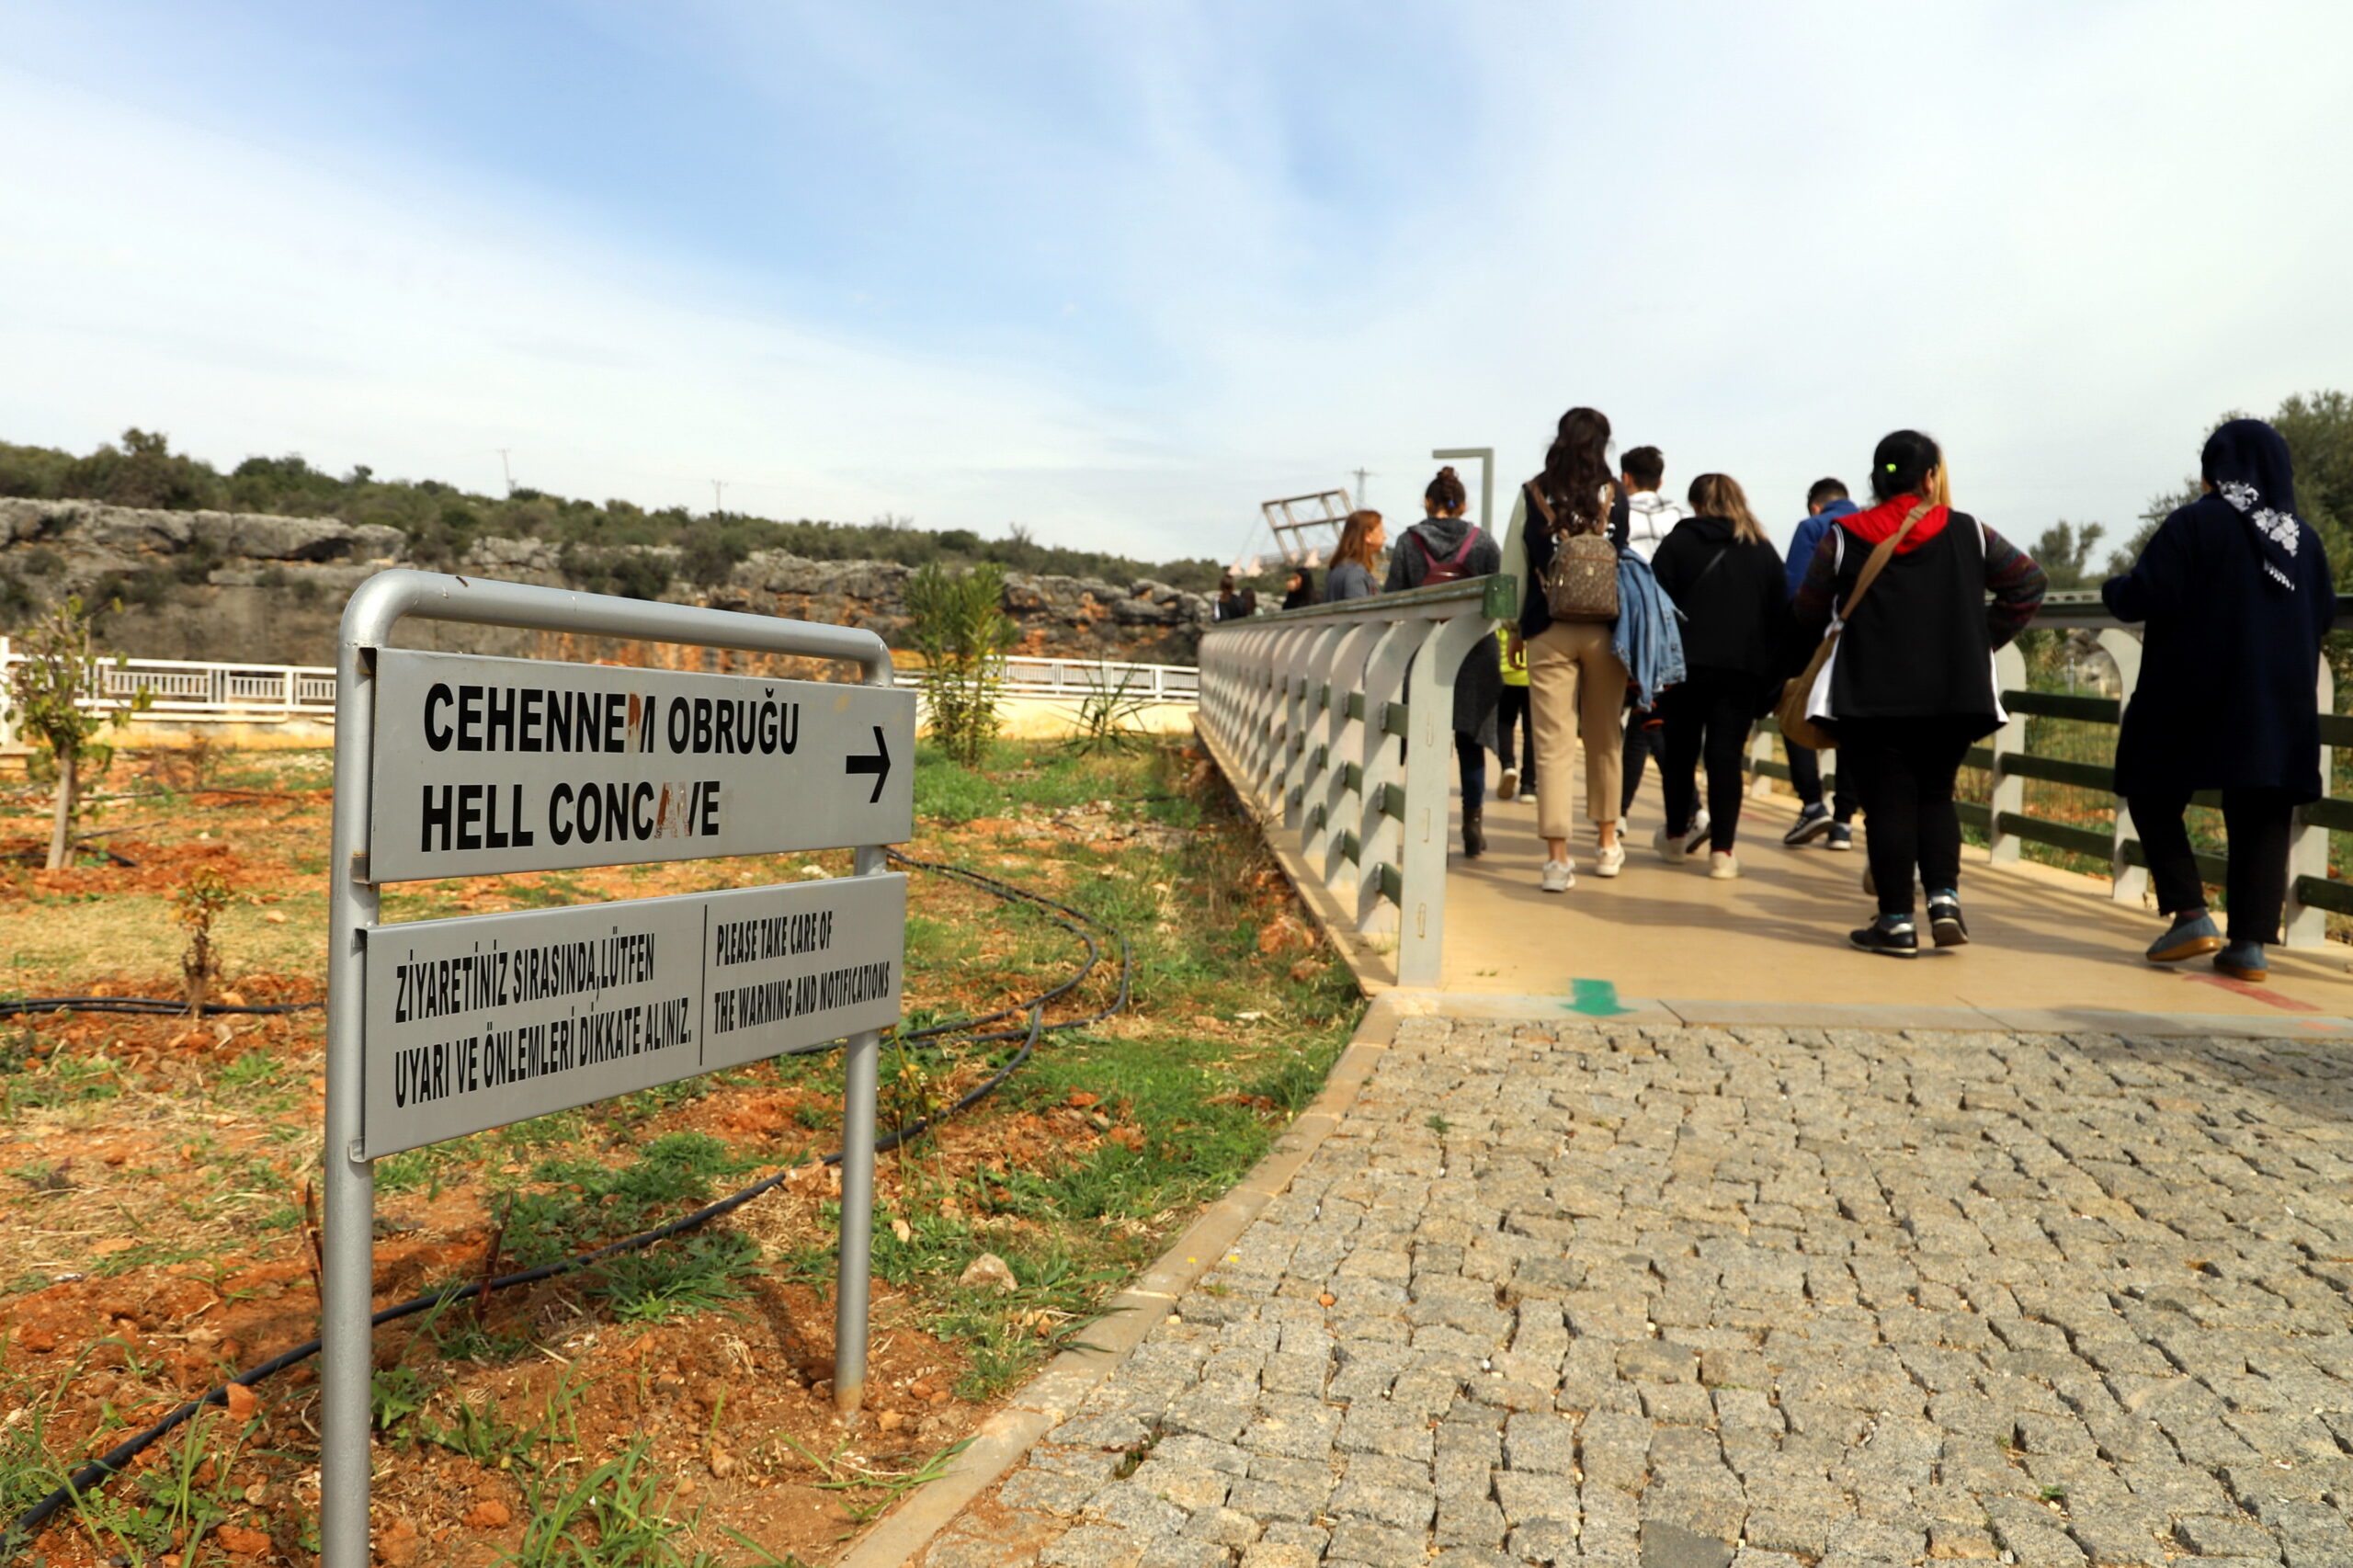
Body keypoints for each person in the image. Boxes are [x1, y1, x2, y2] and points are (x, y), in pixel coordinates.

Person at [1789, 429, 2046, 956]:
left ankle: (1896, 922)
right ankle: (1945, 902)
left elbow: (1809, 609)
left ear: (1876, 481)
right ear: (1930, 478)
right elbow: (2028, 582)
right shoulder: (1970, 531)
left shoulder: (1841, 535)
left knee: (1888, 806)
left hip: (1870, 695)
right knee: (1935, 795)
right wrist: (1984, 640)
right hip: (1954, 691)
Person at [2103, 418, 2336, 983]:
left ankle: (2189, 913)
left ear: (2216, 470)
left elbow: (2142, 595)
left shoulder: (2193, 524)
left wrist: (2113, 587)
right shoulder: (2302, 541)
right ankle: (2249, 946)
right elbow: (2323, 614)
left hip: (2189, 692)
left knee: (2150, 785)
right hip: (2276, 703)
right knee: (2262, 808)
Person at [1649, 473, 1786, 879]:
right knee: (1725, 758)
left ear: (1696, 504)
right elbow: (1781, 619)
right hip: (1742, 671)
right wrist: (1771, 682)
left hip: (1684, 667)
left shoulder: (1678, 543)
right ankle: (1722, 854)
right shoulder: (1762, 549)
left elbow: (1656, 606)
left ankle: (1676, 838)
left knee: (1680, 755)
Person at [1519, 406, 1632, 892]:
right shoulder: (1614, 492)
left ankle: (1557, 859)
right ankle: (1607, 844)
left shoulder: (1534, 492)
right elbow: (1623, 554)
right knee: (1606, 737)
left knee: (1551, 743)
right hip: (1605, 629)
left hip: (1549, 625)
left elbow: (1517, 560)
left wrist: (1511, 629)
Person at [1388, 466, 1503, 856]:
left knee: (1429, 742)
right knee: (1469, 742)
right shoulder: (1483, 541)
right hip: (1474, 651)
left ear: (1428, 502)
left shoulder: (1407, 542)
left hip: (1425, 651)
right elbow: (1500, 596)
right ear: (1463, 505)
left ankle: (1428, 826)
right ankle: (1472, 824)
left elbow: (1394, 600)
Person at [1780, 478, 1861, 849]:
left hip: (1820, 638)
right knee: (1852, 723)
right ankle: (1844, 822)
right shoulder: (1872, 522)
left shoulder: (1813, 527)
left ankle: (1813, 804)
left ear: (1816, 506)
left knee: (1794, 705)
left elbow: (1797, 588)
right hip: (1865, 642)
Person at [1616, 446, 1689, 827]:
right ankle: (1620, 811)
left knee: (1649, 720)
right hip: (1674, 628)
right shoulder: (1680, 516)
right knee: (1647, 721)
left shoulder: (1617, 516)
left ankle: (1692, 810)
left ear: (1625, 478)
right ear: (1660, 480)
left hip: (1632, 628)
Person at [1495, 625, 1534, 801]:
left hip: (1504, 667)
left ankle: (1508, 765)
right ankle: (1528, 786)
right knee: (1532, 730)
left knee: (1504, 722)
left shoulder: (1502, 598)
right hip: (1532, 669)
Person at [1324, 511, 1384, 603]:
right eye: (1380, 530)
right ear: (1368, 535)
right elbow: (1359, 613)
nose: (1385, 536)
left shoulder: (1336, 569)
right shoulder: (1355, 572)